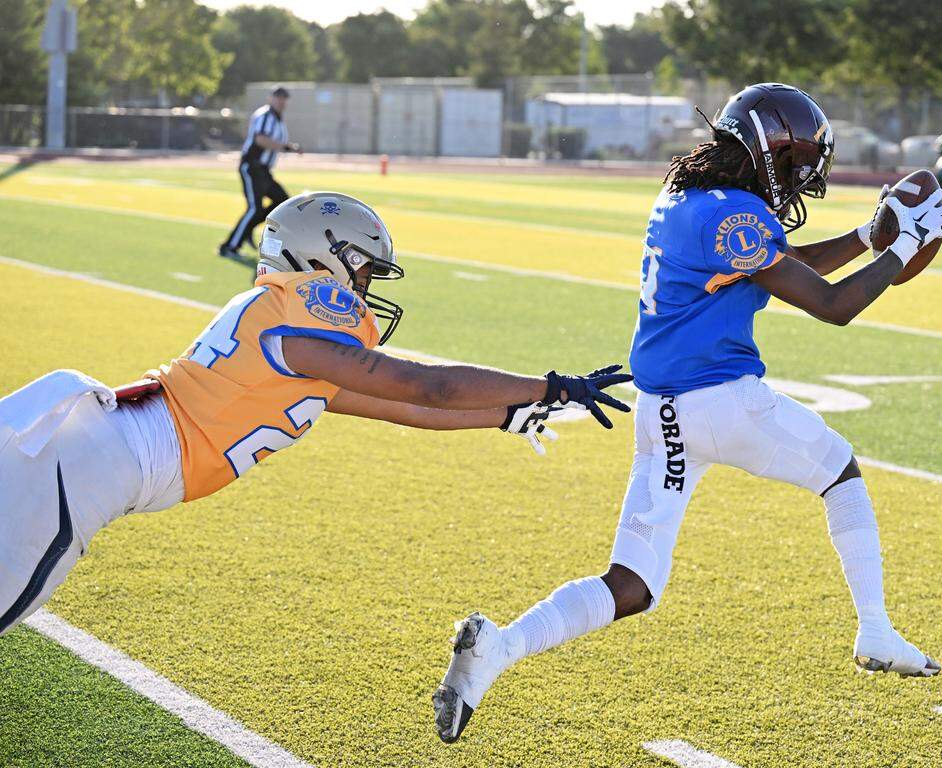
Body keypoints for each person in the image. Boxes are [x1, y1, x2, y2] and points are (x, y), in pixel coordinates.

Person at [433, 83, 942, 743]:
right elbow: (832, 304)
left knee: (634, 582)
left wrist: (861, 236)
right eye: (797, 164)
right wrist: (903, 251)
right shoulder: (734, 215)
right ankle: (876, 630)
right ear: (768, 151)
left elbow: (774, 264)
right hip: (721, 402)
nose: (801, 179)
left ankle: (497, 650)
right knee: (839, 470)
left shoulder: (688, 197)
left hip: (663, 415)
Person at [0, 191, 632, 637]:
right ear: (320, 255)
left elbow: (408, 408)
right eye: (362, 267)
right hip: (88, 466)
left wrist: (504, 415)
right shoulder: (297, 319)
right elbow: (424, 384)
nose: (366, 286)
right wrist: (548, 385)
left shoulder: (298, 346)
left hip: (93, 455)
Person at [219, 86, 302, 260]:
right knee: (255, 208)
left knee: (282, 203)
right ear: (271, 98)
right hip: (252, 166)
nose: (281, 100)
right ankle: (229, 247)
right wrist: (286, 146)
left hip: (264, 171)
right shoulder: (265, 116)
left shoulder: (279, 119)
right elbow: (260, 139)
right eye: (278, 97)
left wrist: (288, 146)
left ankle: (248, 229)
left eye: (284, 97)